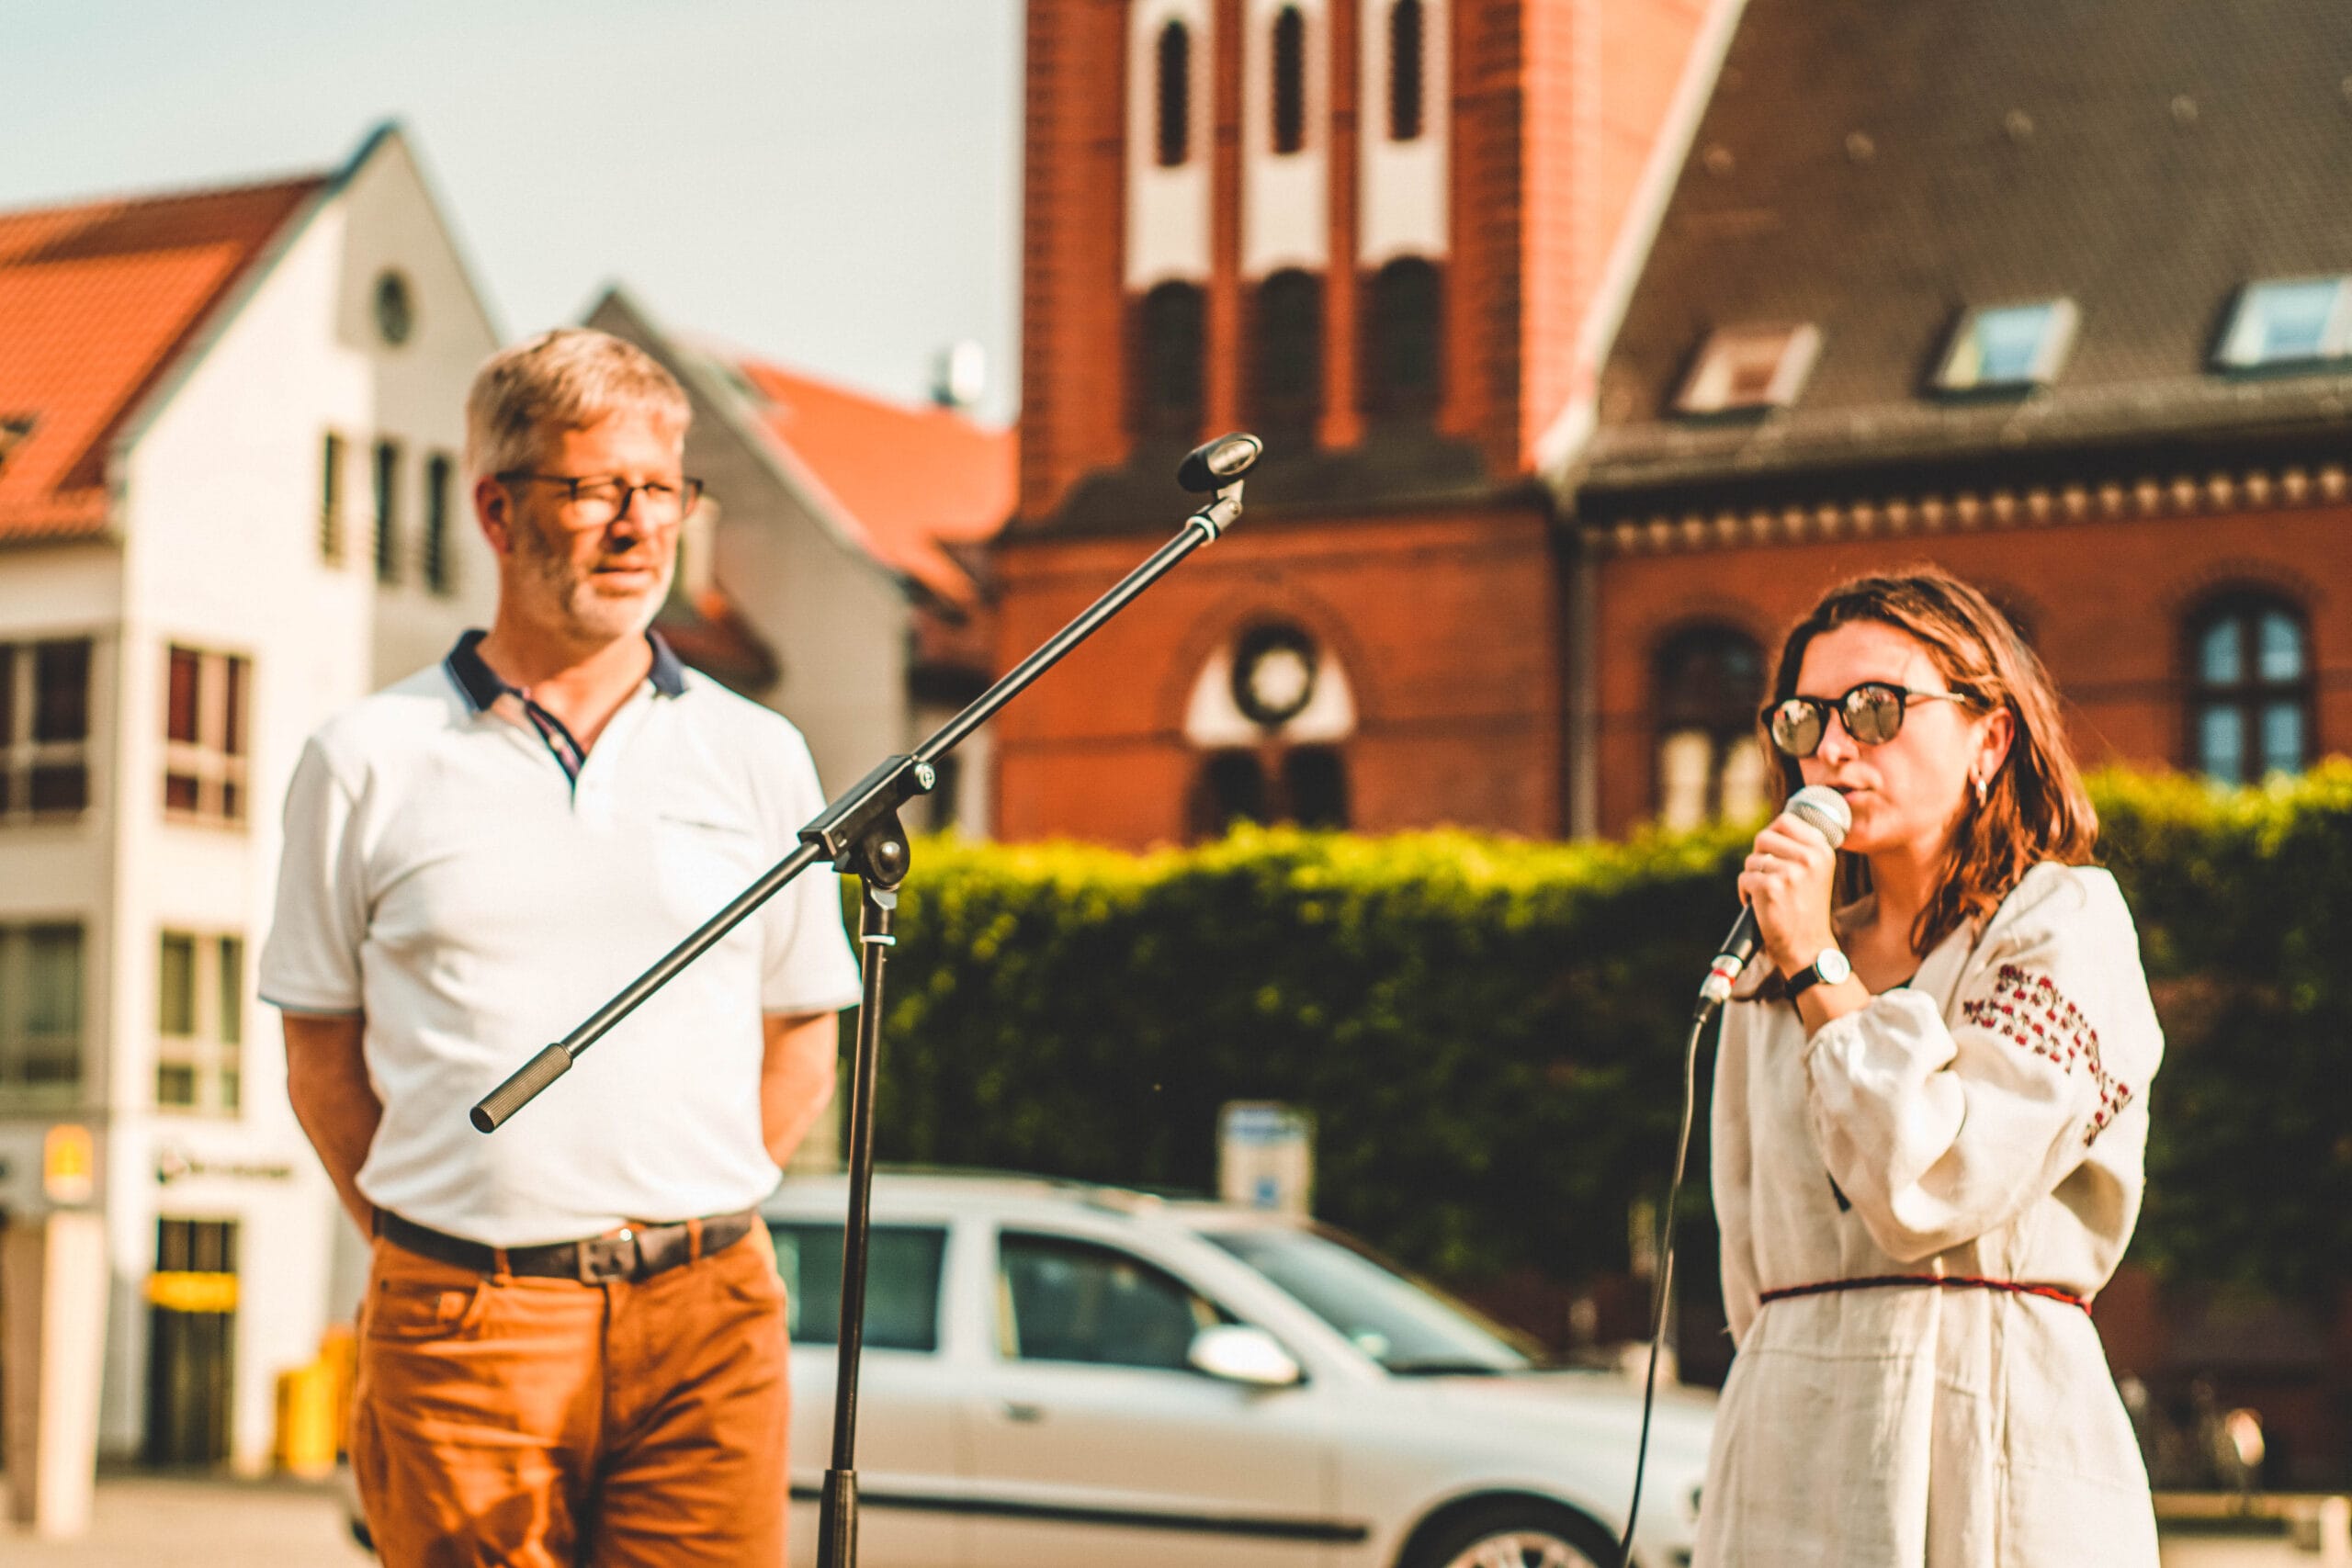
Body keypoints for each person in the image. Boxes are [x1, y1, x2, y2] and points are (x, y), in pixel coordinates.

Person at [260, 328, 860, 1566]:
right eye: (595, 488)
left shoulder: (758, 752)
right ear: (496, 506)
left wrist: (699, 1187)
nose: (639, 526)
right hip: (465, 1313)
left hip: (709, 1313)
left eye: (663, 489)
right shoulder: (367, 757)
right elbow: (320, 1047)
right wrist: (438, 1240)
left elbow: (804, 1021)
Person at [1695, 568, 2163, 1565]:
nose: (1831, 747)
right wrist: (1804, 958)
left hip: (1982, 1423)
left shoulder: (2063, 924)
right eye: (1803, 719)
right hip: (1790, 1430)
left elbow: (1938, 1183)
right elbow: (1746, 1249)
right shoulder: (1771, 968)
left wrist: (1819, 968)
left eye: (1874, 709)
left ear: (1989, 737)